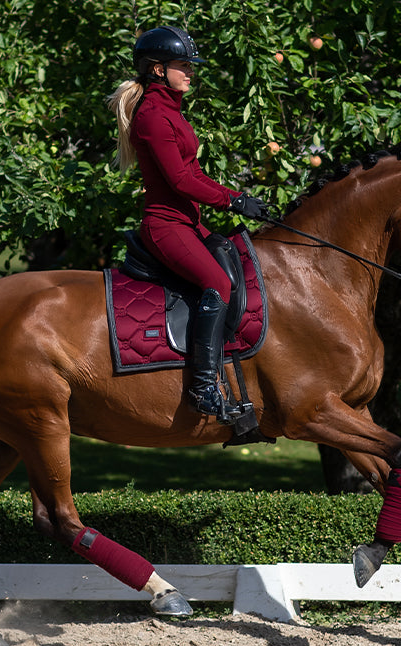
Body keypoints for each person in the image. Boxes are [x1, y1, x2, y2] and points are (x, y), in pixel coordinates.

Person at [108, 26, 267, 420]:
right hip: (165, 227)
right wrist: (232, 200)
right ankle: (203, 387)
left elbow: (193, 172)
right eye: (184, 65)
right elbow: (180, 180)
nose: (191, 72)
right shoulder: (152, 116)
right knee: (216, 282)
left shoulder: (172, 112)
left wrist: (238, 198)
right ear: (158, 70)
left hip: (189, 223)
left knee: (235, 260)